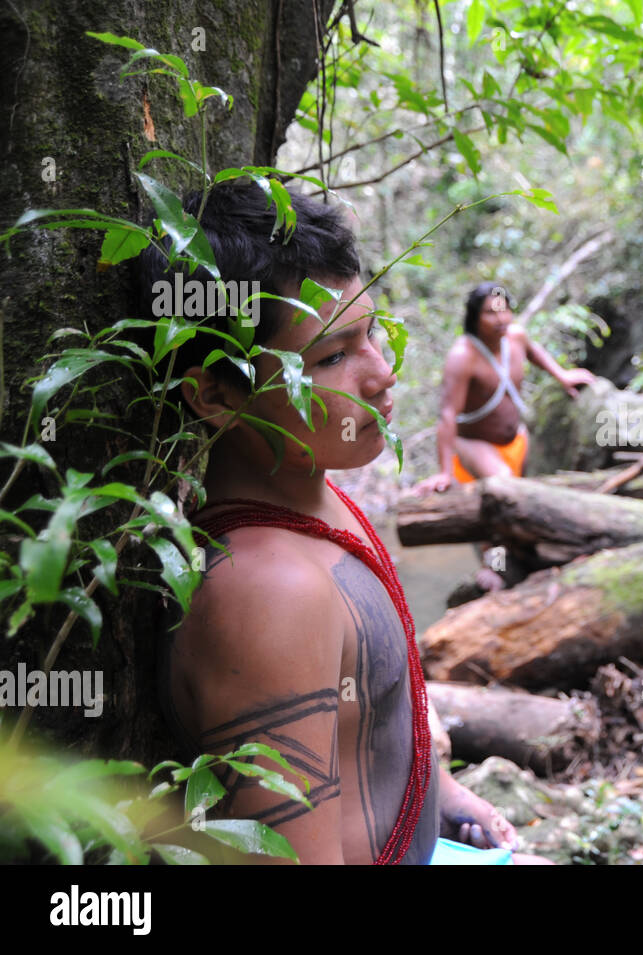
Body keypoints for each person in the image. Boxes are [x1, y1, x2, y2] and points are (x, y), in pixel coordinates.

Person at [147, 181, 549, 864]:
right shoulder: (270, 593)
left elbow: (360, 718)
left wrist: (440, 792)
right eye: (332, 357)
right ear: (216, 394)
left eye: (371, 335)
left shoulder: (316, 499)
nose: (383, 374)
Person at [411, 282, 596, 495]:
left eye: (504, 310)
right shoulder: (462, 356)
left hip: (518, 437)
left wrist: (561, 375)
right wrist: (445, 472)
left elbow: (534, 352)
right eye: (490, 313)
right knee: (506, 485)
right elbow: (448, 414)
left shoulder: (516, 337)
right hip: (473, 442)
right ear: (475, 318)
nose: (501, 319)